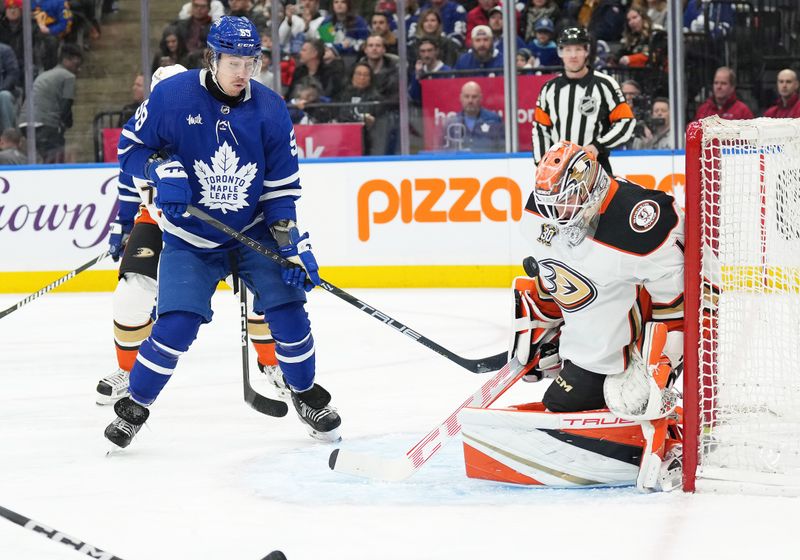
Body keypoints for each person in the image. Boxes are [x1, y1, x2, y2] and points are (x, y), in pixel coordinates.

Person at [106, 16, 341, 449]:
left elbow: (279, 191)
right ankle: (137, 403)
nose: (242, 72)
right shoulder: (171, 97)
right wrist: (158, 169)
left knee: (289, 309)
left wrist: (289, 243)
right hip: (190, 237)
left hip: (253, 228)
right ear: (212, 57)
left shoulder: (270, 108)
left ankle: (305, 394)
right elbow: (128, 151)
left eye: (250, 62)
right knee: (176, 322)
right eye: (233, 61)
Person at [98, 65, 287, 408]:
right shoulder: (147, 128)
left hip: (225, 225)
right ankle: (130, 372)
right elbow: (128, 180)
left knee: (267, 293)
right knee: (130, 296)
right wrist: (121, 225)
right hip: (158, 223)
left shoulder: (209, 127)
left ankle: (273, 363)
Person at [516, 140, 684, 490]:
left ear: (590, 183)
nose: (556, 213)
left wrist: (662, 362)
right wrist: (548, 327)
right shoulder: (539, 213)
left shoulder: (637, 222)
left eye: (565, 201)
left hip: (641, 331)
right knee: (563, 400)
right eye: (550, 203)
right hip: (595, 331)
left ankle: (679, 421)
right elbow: (555, 276)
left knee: (563, 403)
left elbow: (680, 303)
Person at [531, 27, 634, 174]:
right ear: (560, 52)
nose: (573, 55)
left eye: (578, 49)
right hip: (559, 169)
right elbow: (541, 130)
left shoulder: (605, 84)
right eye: (567, 50)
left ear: (586, 51)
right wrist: (542, 164)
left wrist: (598, 146)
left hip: (597, 168)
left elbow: (626, 121)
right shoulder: (549, 89)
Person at [19, 42, 82, 163]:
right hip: (44, 123)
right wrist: (67, 123)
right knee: (56, 158)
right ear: (67, 60)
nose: (78, 68)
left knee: (46, 156)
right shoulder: (68, 76)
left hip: (24, 122)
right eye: (77, 63)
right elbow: (66, 105)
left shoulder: (45, 74)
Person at [441, 80, 503, 152]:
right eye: (466, 96)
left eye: (474, 97)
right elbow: (444, 151)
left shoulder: (494, 120)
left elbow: (502, 149)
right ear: (461, 98)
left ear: (481, 98)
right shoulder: (452, 124)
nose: (470, 100)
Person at [0, 40, 19, 132]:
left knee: (4, 96)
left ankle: (9, 135)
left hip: (3, 90)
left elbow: (13, 73)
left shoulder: (4, 50)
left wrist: (2, 88)